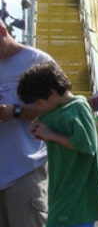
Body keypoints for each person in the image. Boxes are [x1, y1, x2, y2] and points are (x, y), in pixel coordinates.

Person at [16, 61, 98, 226]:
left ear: (51, 92)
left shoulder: (79, 107)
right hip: (62, 195)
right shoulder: (58, 111)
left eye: (38, 102)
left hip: (77, 199)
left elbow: (87, 145)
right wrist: (43, 131)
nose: (39, 108)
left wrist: (50, 134)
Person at [0, 23, 52, 227]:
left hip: (25, 169)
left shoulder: (37, 61)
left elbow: (60, 111)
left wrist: (17, 111)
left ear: (3, 32)